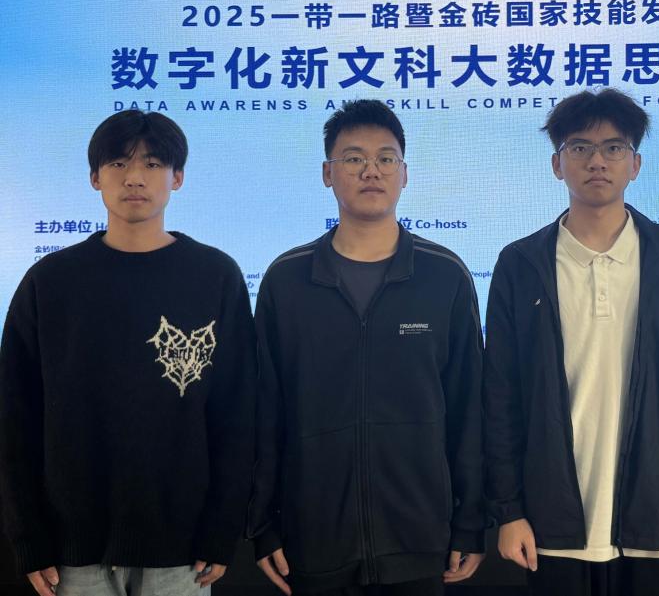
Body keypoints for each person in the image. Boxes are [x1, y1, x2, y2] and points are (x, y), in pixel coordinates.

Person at [484, 88, 659, 596]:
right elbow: (500, 398)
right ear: (557, 164)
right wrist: (508, 511)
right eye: (579, 147)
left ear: (635, 164)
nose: (597, 161)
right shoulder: (521, 264)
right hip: (551, 524)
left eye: (614, 148)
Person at [0, 110, 257, 596]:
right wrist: (27, 536)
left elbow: (237, 417)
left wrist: (223, 528)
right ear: (95, 177)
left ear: (177, 177)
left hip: (183, 551)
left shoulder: (215, 276)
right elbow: (15, 421)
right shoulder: (49, 282)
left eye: (153, 163)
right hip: (72, 552)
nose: (135, 177)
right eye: (118, 163)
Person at [248, 100, 485, 596]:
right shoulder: (287, 281)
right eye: (354, 158)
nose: (371, 170)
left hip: (421, 541)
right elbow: (264, 412)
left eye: (386, 158)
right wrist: (262, 523)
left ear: (404, 174)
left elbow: (469, 410)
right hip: (313, 541)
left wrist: (471, 521)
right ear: (327, 174)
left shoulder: (444, 275)